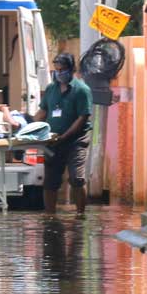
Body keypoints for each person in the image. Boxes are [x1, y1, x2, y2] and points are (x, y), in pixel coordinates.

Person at [34, 53, 92, 215]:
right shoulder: (51, 89)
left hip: (75, 141)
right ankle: (50, 216)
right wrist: (29, 127)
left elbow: (82, 118)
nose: (59, 73)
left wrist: (65, 136)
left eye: (63, 69)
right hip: (52, 141)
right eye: (57, 70)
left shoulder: (81, 90)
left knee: (77, 179)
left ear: (72, 69)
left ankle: (80, 215)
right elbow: (43, 111)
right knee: (50, 181)